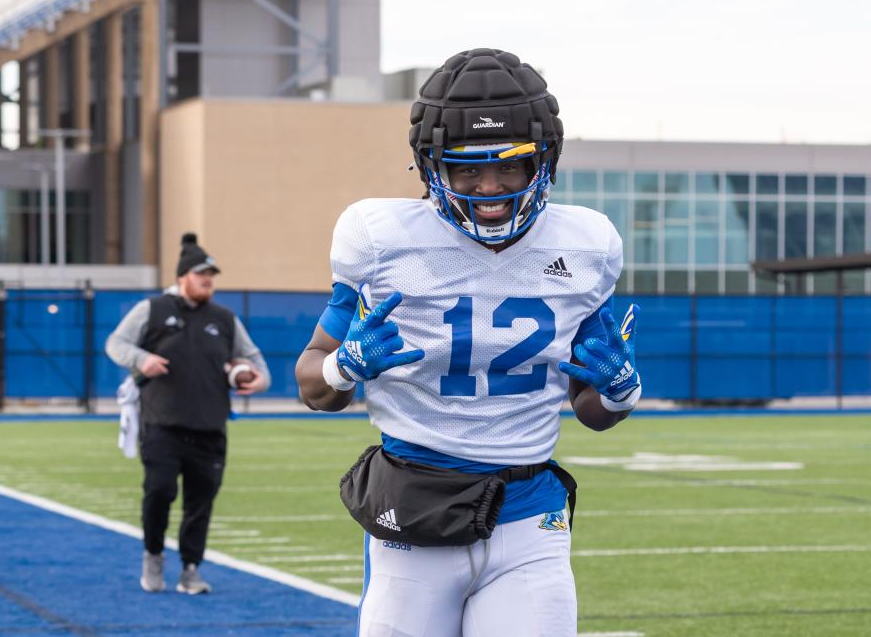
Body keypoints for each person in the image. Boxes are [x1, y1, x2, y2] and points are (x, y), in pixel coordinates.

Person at [295, 48, 641, 636]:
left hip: (530, 512)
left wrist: (620, 392)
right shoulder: (382, 241)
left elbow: (592, 410)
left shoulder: (587, 245)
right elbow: (311, 380)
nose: (490, 187)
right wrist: (345, 368)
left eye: (510, 166)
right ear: (433, 168)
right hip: (416, 507)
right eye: (467, 169)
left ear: (543, 164)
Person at [106, 233, 271, 595]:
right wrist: (141, 359)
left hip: (211, 429)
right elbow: (115, 343)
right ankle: (153, 555)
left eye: (211, 274)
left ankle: (190, 570)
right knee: (159, 492)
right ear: (183, 276)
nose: (208, 279)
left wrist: (257, 379)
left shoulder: (224, 319)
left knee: (200, 505)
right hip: (162, 425)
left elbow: (258, 363)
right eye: (201, 273)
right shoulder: (153, 309)